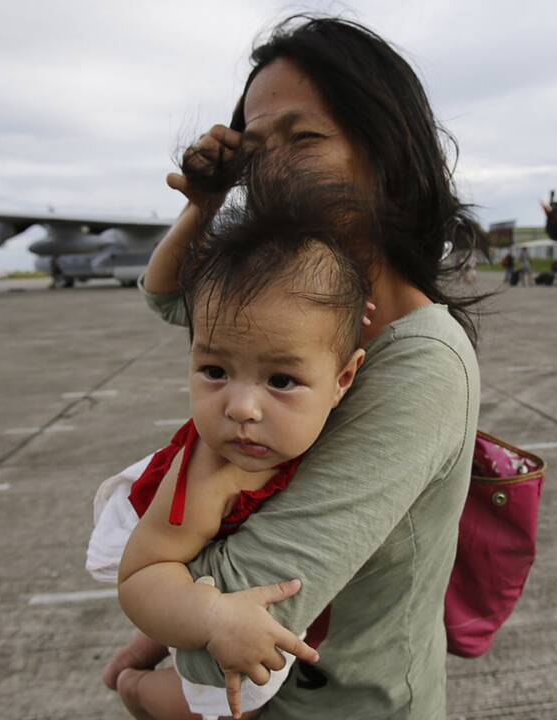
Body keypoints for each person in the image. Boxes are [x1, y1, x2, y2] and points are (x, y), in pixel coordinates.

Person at [106, 15, 482, 720]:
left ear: (386, 154)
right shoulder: (298, 314)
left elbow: (214, 642)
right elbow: (165, 301)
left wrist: (163, 609)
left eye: (304, 139)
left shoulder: (421, 364)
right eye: (256, 145)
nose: (271, 167)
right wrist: (206, 203)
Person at [91, 167, 370, 719]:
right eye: (214, 370)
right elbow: (144, 577)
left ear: (344, 380)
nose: (241, 408)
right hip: (166, 549)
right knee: (228, 705)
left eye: (282, 380)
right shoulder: (214, 471)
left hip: (211, 550)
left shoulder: (341, 411)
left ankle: (148, 649)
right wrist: (216, 618)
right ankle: (134, 688)